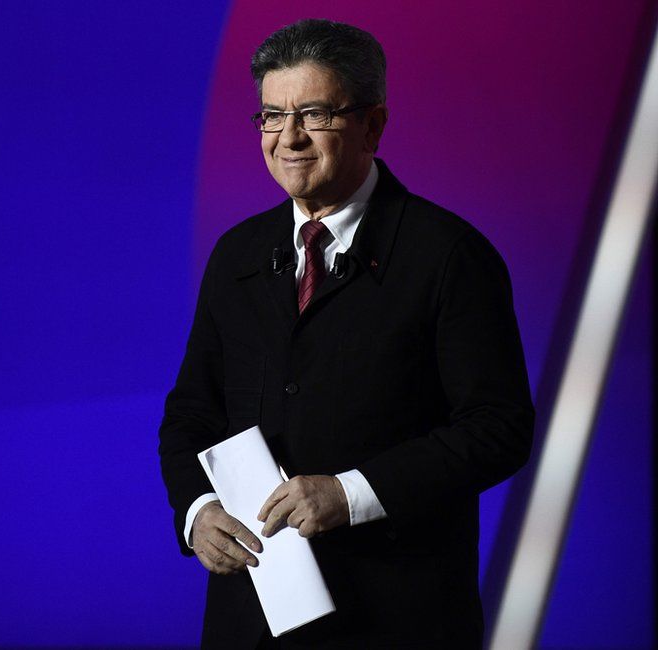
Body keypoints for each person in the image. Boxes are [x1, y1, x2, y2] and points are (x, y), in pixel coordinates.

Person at [158, 19, 534, 649]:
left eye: (314, 113)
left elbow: (498, 428)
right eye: (272, 116)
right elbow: (191, 413)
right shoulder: (238, 254)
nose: (289, 138)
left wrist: (351, 493)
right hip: (251, 618)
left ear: (373, 125)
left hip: (397, 618)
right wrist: (197, 513)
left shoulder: (450, 255)